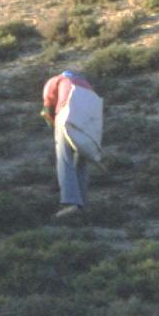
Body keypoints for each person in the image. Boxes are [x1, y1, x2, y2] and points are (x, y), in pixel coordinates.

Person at [41, 70, 101, 219]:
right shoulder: (87, 86)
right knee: (81, 161)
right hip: (88, 123)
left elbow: (47, 109)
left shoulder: (56, 80)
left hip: (66, 115)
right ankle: (82, 204)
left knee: (64, 158)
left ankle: (70, 202)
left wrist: (52, 125)